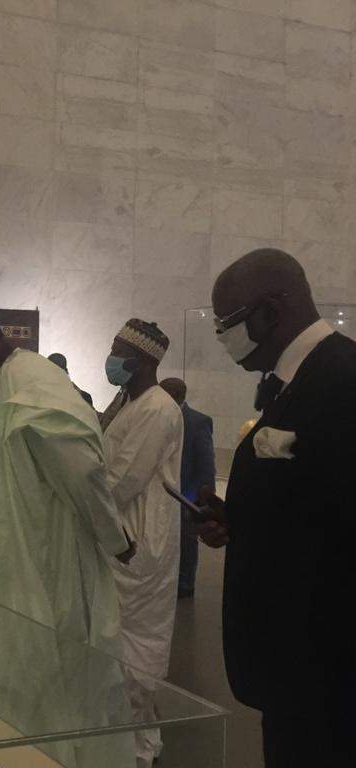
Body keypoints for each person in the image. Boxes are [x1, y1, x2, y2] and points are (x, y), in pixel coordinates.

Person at [0, 295, 135, 767]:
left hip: (31, 569)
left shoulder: (34, 382)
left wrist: (115, 539)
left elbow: (82, 474)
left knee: (34, 686)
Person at [198, 248, 355, 767]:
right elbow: (311, 506)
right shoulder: (295, 381)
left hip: (325, 673)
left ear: (271, 310)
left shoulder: (343, 380)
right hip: (291, 668)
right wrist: (236, 520)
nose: (222, 336)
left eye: (228, 323)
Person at [100, 320, 184, 768]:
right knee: (114, 643)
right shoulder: (129, 403)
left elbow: (123, 479)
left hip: (139, 539)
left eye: (118, 350)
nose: (112, 358)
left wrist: (88, 509)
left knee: (136, 649)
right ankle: (119, 737)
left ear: (143, 359)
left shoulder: (158, 409)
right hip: (119, 532)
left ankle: (140, 747)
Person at [158, 377, 215, 598]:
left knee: (187, 539)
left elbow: (206, 462)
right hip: (163, 491)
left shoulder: (198, 422)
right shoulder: (158, 416)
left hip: (186, 492)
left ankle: (185, 583)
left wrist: (201, 497)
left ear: (177, 395)